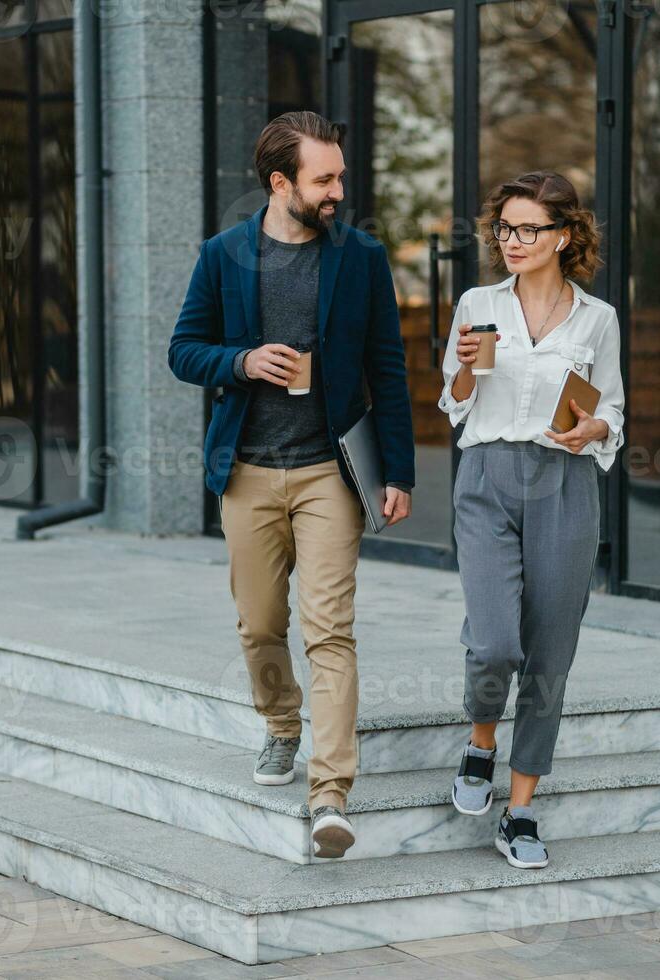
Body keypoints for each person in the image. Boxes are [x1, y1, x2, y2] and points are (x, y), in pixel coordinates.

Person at [167, 111, 416, 859]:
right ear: (280, 183)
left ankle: (330, 793)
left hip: (328, 474)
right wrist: (241, 363)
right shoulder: (223, 256)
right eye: (325, 178)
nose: (340, 189)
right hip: (246, 471)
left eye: (340, 174)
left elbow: (389, 367)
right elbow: (184, 350)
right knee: (259, 624)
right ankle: (281, 725)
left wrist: (397, 472)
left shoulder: (361, 257)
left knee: (331, 630)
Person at [438, 170, 626, 869]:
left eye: (528, 230)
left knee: (550, 652)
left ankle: (519, 812)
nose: (512, 241)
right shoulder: (478, 304)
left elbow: (613, 411)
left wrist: (595, 431)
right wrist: (462, 371)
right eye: (505, 228)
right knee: (493, 644)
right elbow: (454, 403)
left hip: (565, 484)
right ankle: (480, 742)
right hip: (486, 477)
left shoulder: (597, 319)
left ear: (565, 235)